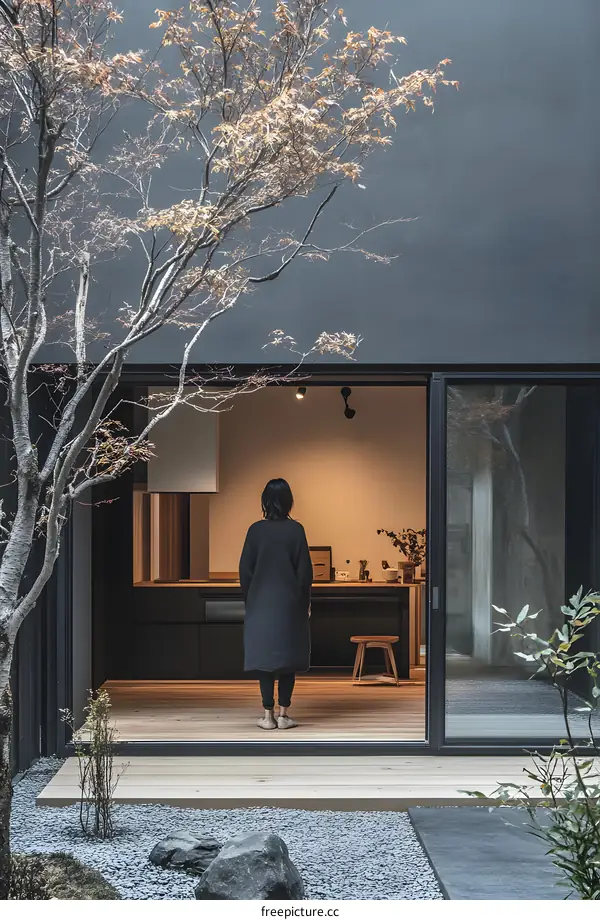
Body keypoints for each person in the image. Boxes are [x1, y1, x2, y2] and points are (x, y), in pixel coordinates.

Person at [239, 478, 313, 730]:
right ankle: (284, 715)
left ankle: (267, 716)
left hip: (260, 604)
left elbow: (245, 571)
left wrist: (250, 598)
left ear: (265, 501)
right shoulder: (297, 530)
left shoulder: (255, 530)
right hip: (290, 604)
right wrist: (305, 602)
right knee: (287, 659)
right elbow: (305, 573)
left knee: (265, 661)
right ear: (289, 501)